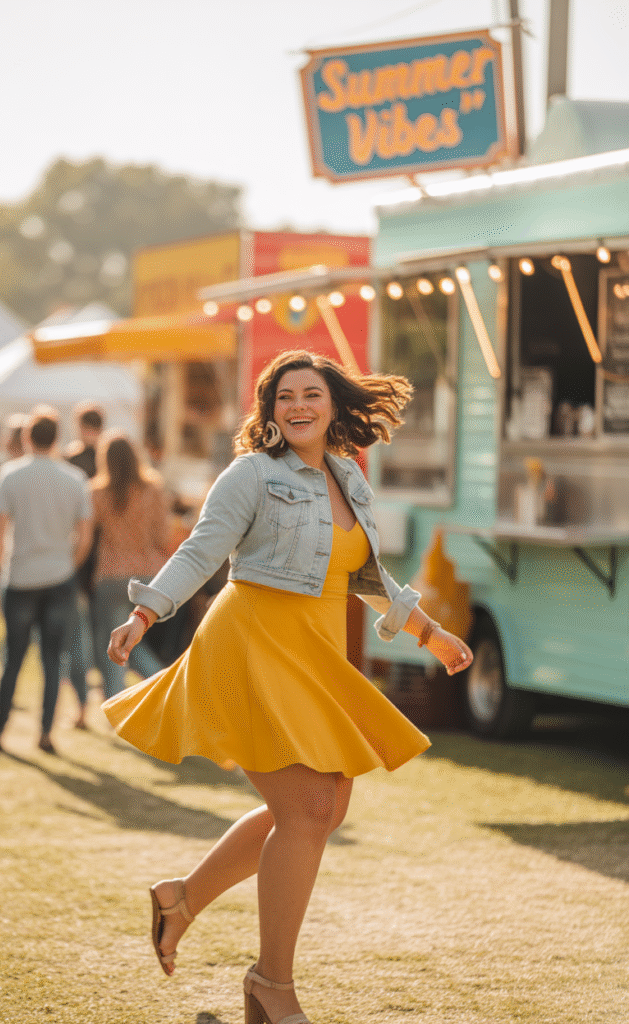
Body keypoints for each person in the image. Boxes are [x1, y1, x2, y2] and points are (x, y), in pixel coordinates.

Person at [103, 350, 474, 1024]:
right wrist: (145, 610)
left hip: (314, 648)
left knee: (322, 807)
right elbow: (201, 549)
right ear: (268, 411)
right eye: (282, 397)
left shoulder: (347, 476)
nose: (296, 406)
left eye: (309, 394)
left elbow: (365, 575)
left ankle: (180, 899)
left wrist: (430, 633)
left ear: (333, 404)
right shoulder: (251, 473)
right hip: (250, 641)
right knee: (305, 806)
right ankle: (271, 985)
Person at [0, 407, 93, 754]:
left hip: (20, 579)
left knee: (12, 658)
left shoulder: (10, 475)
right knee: (51, 660)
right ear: (57, 438)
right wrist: (68, 565)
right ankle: (45, 733)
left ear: (27, 436)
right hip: (59, 578)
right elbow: (84, 536)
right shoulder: (75, 479)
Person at [90, 432, 169, 699]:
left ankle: (116, 701)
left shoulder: (98, 492)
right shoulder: (152, 489)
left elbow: (88, 536)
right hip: (149, 573)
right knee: (133, 643)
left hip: (112, 573)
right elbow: (162, 537)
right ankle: (165, 683)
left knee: (115, 644)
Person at [62, 403, 105, 727]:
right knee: (98, 628)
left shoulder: (72, 460)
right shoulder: (112, 459)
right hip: (104, 557)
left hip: (78, 553)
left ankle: (80, 703)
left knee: (77, 631)